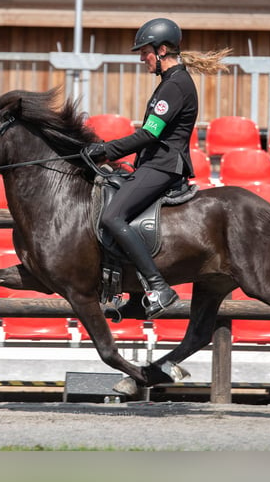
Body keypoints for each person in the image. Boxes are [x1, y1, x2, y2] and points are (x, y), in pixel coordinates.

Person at [83, 17, 230, 318]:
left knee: (112, 216)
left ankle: (158, 287)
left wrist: (105, 150)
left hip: (164, 166)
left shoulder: (175, 85)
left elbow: (150, 134)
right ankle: (136, 295)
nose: (141, 58)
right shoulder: (171, 83)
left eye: (145, 51)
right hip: (154, 163)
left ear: (162, 50)